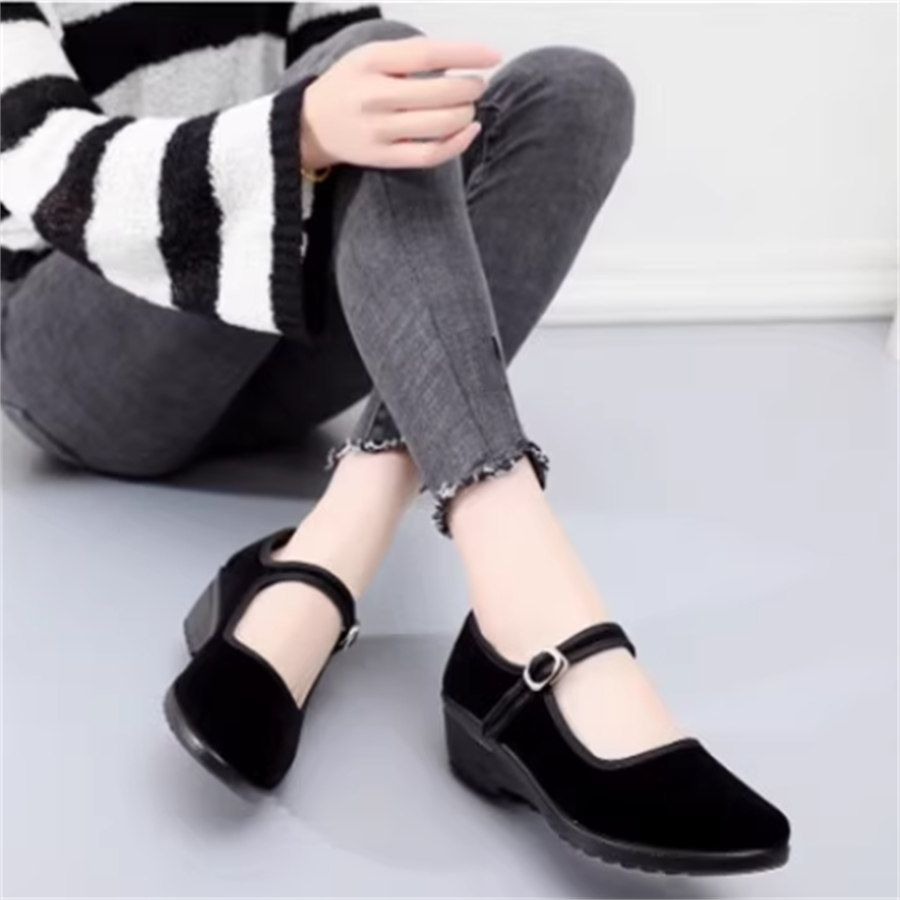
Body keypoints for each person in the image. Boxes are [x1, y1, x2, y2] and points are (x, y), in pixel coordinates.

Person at [0, 1, 790, 877]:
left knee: (574, 91)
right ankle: (529, 593)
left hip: (274, 340)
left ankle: (332, 547)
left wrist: (328, 121)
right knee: (383, 66)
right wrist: (300, 130)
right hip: (84, 358)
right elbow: (48, 172)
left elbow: (359, 154)